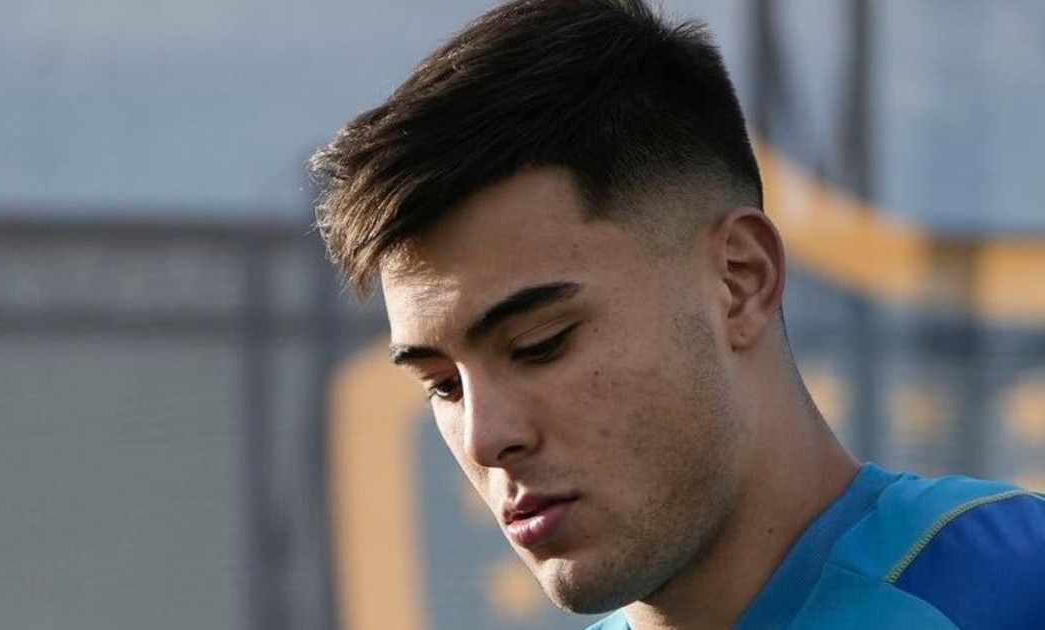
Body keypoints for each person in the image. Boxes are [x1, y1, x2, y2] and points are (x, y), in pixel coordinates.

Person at [309, 0, 1045, 627]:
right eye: (443, 385)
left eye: (540, 343)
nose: (485, 437)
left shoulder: (1016, 587)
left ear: (740, 280)